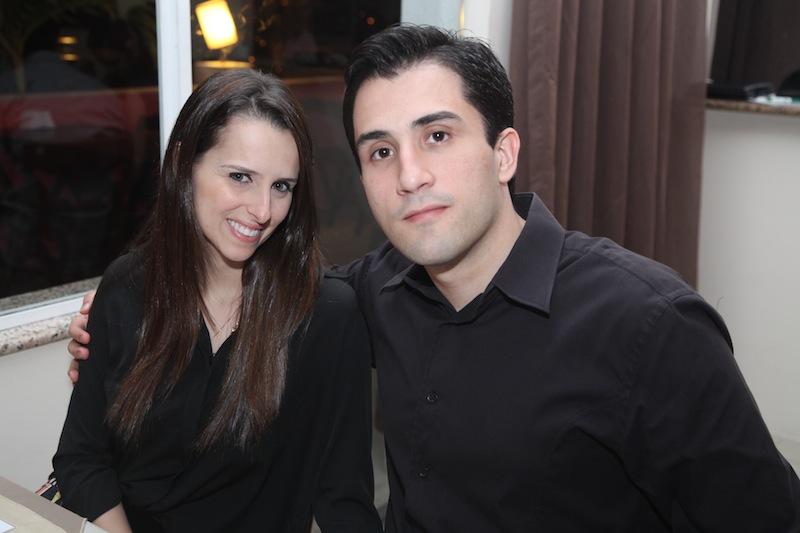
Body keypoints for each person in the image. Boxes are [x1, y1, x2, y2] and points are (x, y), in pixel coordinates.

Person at [68, 25, 800, 532]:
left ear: (504, 153)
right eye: (380, 151)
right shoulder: (371, 296)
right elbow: (268, 304)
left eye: (438, 136)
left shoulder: (650, 327)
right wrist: (114, 326)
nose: (410, 175)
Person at [55, 69, 381, 532]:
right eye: (240, 177)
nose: (263, 210)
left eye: (281, 186)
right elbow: (82, 458)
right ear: (185, 165)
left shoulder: (326, 315)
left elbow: (344, 501)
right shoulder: (127, 287)